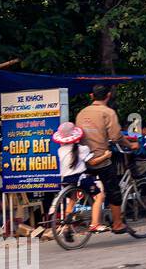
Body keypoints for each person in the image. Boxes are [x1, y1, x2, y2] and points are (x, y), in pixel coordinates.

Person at [74, 84, 132, 234]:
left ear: (91, 96)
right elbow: (116, 137)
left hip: (84, 160)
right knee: (113, 189)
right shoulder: (108, 113)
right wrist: (130, 145)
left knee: (87, 189)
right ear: (108, 96)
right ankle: (117, 224)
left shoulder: (81, 113)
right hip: (102, 160)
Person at [51, 121, 103, 240]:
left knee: (72, 201)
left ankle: (68, 228)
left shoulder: (60, 150)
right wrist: (106, 155)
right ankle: (95, 224)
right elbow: (93, 162)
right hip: (80, 179)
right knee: (99, 196)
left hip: (66, 181)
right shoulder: (82, 149)